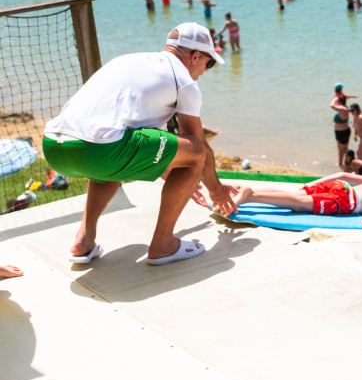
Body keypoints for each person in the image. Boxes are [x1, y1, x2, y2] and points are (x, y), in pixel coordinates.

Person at [42, 22, 237, 266]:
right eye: (209, 63)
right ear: (195, 56)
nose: (207, 70)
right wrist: (215, 189)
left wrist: (166, 166)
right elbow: (198, 148)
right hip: (98, 150)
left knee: (107, 166)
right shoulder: (184, 82)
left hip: (53, 147)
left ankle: (83, 240)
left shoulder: (127, 60)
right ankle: (164, 244)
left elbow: (127, 129)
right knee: (196, 152)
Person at [218, 151, 362, 230]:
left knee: (298, 195)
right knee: (296, 204)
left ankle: (251, 191)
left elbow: (343, 176)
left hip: (341, 188)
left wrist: (313, 184)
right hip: (346, 201)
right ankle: (250, 195)